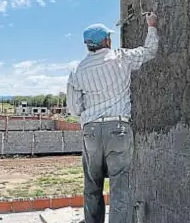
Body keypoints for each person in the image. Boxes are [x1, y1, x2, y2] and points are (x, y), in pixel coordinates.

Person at [66, 13, 159, 223]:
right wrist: (151, 26)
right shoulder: (122, 57)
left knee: (92, 185)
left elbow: (74, 109)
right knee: (119, 187)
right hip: (118, 129)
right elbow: (150, 51)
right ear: (107, 41)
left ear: (88, 46)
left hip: (90, 132)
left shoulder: (76, 71)